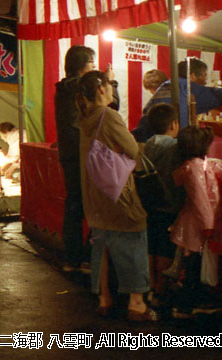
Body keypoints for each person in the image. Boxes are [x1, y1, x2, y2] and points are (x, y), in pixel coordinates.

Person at [77, 70, 156, 321]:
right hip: (118, 192)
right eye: (110, 84)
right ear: (101, 89)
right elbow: (132, 150)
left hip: (94, 193)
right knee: (134, 236)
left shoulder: (85, 117)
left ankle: (104, 298)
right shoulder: (108, 115)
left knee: (102, 243)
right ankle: (136, 303)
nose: (113, 89)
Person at [168, 126, 222, 318]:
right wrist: (209, 226)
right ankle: (186, 306)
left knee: (193, 264)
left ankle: (188, 303)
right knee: (193, 266)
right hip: (198, 226)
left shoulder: (197, 163)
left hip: (196, 226)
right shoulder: (196, 166)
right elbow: (200, 198)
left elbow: (221, 165)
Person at [55, 45, 119, 273]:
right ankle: (89, 259)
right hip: (86, 151)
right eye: (92, 64)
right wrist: (111, 82)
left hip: (69, 152)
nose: (95, 68)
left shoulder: (62, 87)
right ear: (84, 65)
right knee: (95, 204)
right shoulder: (82, 87)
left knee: (74, 205)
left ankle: (72, 259)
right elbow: (111, 106)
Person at [132, 58, 222, 142]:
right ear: (192, 76)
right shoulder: (188, 88)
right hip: (174, 148)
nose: (205, 81)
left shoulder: (165, 86)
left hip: (148, 146)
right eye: (204, 76)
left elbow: (144, 122)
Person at [139, 103, 183, 306]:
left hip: (149, 204)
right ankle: (160, 290)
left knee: (151, 246)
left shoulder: (148, 144)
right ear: (174, 124)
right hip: (169, 204)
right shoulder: (175, 147)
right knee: (165, 249)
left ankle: (149, 287)